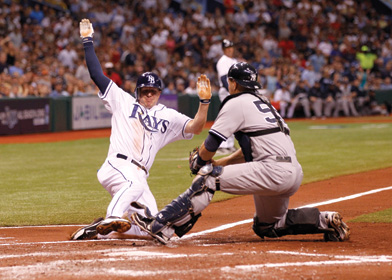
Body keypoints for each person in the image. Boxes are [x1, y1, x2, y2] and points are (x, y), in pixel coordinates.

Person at [129, 62, 350, 245]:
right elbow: (250, 151)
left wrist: (200, 161)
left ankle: (161, 224)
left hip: (272, 171)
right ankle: (325, 221)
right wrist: (219, 162)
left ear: (233, 83)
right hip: (291, 171)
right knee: (268, 226)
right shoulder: (266, 105)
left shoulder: (236, 102)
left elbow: (211, 143)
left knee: (208, 179)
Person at [71, 19, 212, 240]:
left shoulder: (167, 115)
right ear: (137, 92)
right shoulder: (123, 101)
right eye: (144, 91)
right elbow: (97, 75)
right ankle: (113, 214)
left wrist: (204, 104)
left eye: (152, 91)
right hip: (117, 165)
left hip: (139, 176)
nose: (148, 95)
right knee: (134, 184)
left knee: (153, 225)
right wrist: (88, 41)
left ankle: (99, 233)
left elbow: (196, 127)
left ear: (159, 93)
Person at [215, 39, 238, 155]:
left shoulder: (233, 60)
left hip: (233, 91)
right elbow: (224, 79)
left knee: (233, 117)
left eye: (231, 47)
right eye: (227, 48)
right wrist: (233, 91)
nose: (230, 50)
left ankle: (229, 144)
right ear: (224, 50)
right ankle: (222, 145)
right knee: (227, 117)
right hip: (227, 91)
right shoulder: (223, 61)